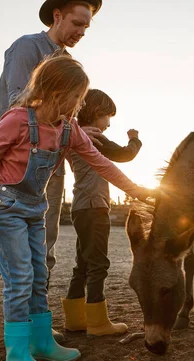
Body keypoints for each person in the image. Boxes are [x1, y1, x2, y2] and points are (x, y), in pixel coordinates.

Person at [0, 55, 152, 361]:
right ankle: (17, 355)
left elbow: (100, 162)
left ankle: (41, 341)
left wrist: (135, 189)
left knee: (39, 274)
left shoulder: (68, 129)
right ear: (57, 93)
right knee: (20, 278)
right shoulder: (17, 120)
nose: (80, 104)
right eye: (78, 97)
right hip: (6, 207)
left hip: (35, 209)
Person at [0, 0, 103, 361]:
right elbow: (17, 103)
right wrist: (61, 129)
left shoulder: (69, 64)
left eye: (87, 27)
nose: (81, 32)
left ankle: (36, 327)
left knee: (44, 251)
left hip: (48, 170)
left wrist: (75, 134)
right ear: (57, 15)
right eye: (77, 22)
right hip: (12, 171)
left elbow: (66, 115)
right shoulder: (28, 47)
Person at [61, 89, 142, 336]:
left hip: (80, 207)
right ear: (96, 113)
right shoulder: (92, 137)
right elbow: (124, 155)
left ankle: (75, 320)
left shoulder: (73, 135)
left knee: (83, 263)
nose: (108, 124)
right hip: (95, 206)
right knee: (98, 264)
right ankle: (97, 322)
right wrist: (135, 139)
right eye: (108, 117)